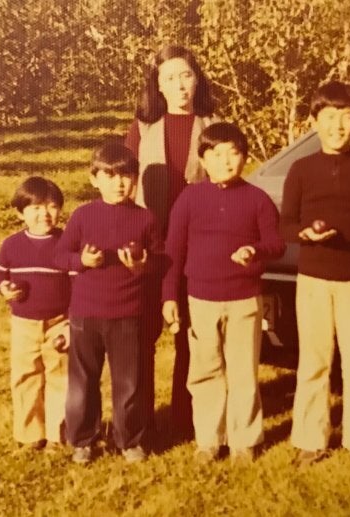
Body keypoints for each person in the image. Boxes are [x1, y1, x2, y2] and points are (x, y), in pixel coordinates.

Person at [280, 81, 350, 468]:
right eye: (329, 117)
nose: (338, 126)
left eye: (346, 118)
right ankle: (311, 439)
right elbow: (285, 225)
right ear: (314, 121)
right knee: (314, 361)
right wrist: (304, 234)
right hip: (312, 282)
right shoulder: (300, 169)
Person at [161, 122, 285, 464]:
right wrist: (170, 296)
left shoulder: (257, 199)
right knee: (205, 370)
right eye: (216, 155)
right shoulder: (190, 197)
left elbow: (276, 244)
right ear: (203, 159)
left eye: (233, 153)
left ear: (245, 157)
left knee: (243, 369)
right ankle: (209, 439)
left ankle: (244, 439)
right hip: (200, 300)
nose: (225, 161)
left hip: (244, 299)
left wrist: (254, 251)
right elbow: (173, 249)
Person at [125, 45, 217, 443]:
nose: (179, 85)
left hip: (195, 248)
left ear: (197, 79)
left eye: (186, 76)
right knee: (143, 335)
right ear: (158, 85)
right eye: (169, 78)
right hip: (150, 245)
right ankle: (142, 424)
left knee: (190, 336)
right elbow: (124, 184)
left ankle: (186, 418)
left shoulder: (213, 124)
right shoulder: (143, 127)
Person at [55, 142, 162, 464]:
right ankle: (83, 439)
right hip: (86, 315)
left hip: (128, 314)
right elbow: (61, 256)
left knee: (129, 384)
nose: (119, 183)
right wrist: (82, 260)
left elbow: (161, 260)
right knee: (82, 382)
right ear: (94, 179)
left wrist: (142, 266)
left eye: (127, 176)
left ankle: (129, 439)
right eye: (110, 175)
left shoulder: (146, 219)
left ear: (135, 179)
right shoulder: (83, 216)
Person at [0, 176, 70, 451]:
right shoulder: (12, 245)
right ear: (20, 212)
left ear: (60, 210)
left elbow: (77, 283)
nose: (44, 214)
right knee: (25, 376)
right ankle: (29, 434)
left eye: (51, 206)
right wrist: (3, 288)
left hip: (60, 322)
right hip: (24, 323)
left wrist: (73, 322)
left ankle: (58, 435)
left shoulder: (66, 242)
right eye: (35, 208)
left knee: (61, 376)